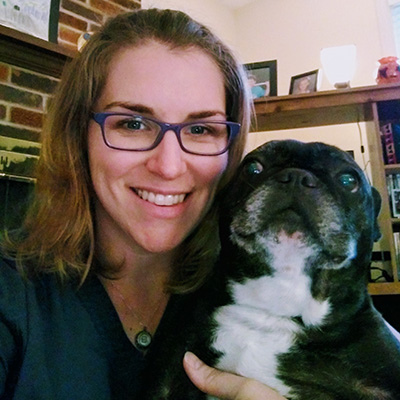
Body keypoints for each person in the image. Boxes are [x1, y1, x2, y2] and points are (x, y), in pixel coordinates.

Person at [0, 8, 287, 400]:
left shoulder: (267, 299)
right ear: (77, 136)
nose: (168, 166)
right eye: (133, 124)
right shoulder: (13, 297)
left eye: (201, 129)